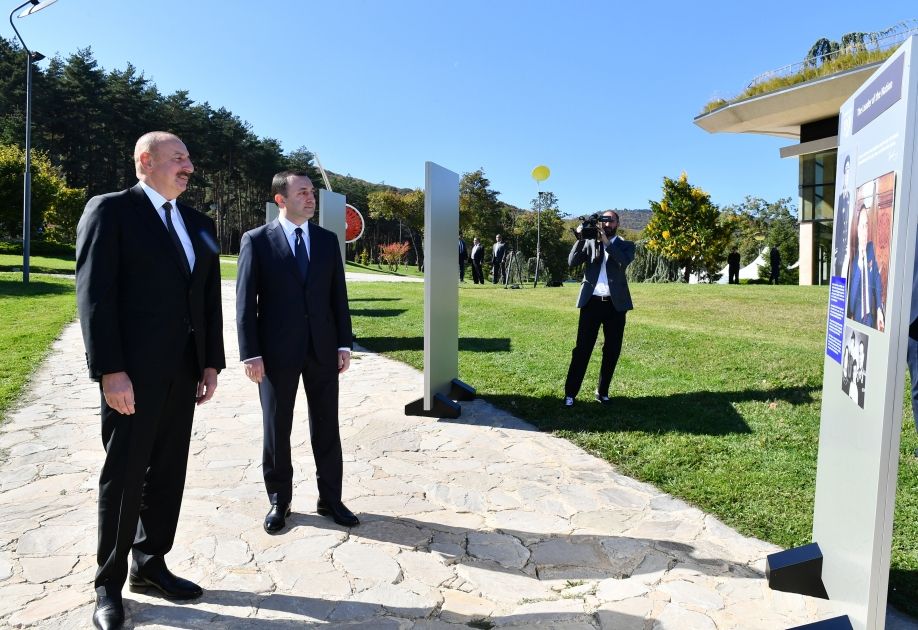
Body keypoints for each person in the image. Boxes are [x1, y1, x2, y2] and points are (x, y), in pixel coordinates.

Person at [76, 131, 225, 630]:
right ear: (146, 162)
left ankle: (151, 564)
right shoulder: (111, 211)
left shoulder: (199, 224)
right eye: (179, 158)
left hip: (184, 373)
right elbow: (95, 296)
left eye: (189, 157)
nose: (189, 166)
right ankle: (107, 585)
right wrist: (109, 371)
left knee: (167, 473)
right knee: (124, 478)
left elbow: (206, 299)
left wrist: (211, 363)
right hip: (131, 376)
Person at [236, 170, 358, 536]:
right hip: (274, 353)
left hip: (322, 349)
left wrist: (343, 343)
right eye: (302, 192)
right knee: (277, 427)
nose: (310, 197)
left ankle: (330, 499)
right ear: (281, 200)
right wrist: (250, 353)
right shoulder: (256, 241)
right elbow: (245, 303)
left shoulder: (326, 240)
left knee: (327, 425)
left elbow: (338, 296)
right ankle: (279, 500)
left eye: (312, 192)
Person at [563, 211, 635, 407]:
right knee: (582, 349)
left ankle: (602, 391)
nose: (607, 223)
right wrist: (579, 239)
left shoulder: (626, 245)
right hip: (591, 302)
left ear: (618, 223)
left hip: (616, 305)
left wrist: (605, 242)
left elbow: (623, 261)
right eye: (603, 220)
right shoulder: (589, 242)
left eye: (610, 220)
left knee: (612, 349)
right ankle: (570, 393)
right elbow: (572, 262)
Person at [846, 204, 885, 331]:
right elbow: (851, 302)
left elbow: (876, 279)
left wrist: (879, 308)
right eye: (862, 225)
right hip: (856, 317)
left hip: (870, 317)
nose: (865, 230)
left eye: (866, 224)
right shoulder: (851, 258)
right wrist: (859, 264)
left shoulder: (870, 249)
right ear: (856, 229)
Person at [833, 155, 851, 278]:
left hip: (850, 244)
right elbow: (839, 222)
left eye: (849, 169)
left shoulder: (852, 195)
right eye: (846, 169)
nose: (847, 172)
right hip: (840, 247)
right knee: (839, 274)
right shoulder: (840, 198)